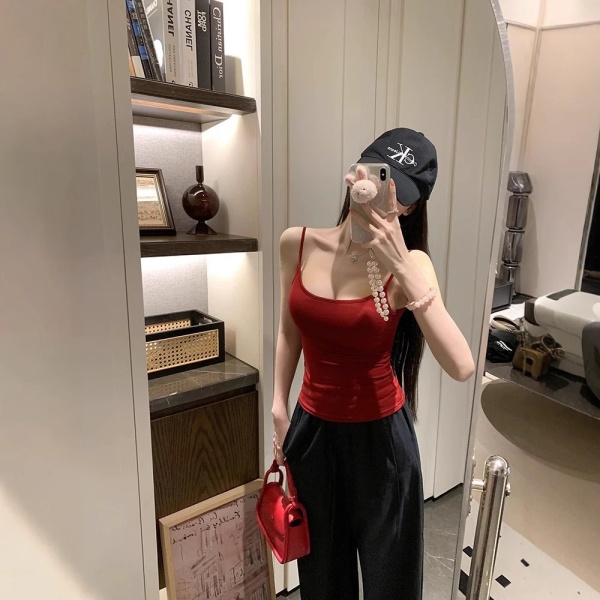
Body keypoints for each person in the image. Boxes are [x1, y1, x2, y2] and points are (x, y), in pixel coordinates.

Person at [271, 128, 475, 600]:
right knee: (321, 579)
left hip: (382, 444)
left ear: (410, 208)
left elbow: (462, 366)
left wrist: (400, 265)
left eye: (399, 192)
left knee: (392, 584)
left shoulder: (412, 266)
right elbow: (288, 330)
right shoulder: (297, 243)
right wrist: (279, 406)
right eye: (380, 176)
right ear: (354, 174)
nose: (381, 196)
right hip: (312, 435)